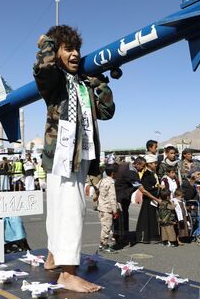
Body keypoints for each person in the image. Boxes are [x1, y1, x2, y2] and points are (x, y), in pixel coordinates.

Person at [33, 25, 115, 293]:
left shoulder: (84, 84)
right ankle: (68, 274)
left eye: (77, 49)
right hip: (61, 155)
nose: (76, 54)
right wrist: (46, 43)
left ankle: (54, 256)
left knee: (59, 209)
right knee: (69, 210)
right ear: (56, 53)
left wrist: (100, 81)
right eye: (68, 49)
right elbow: (43, 67)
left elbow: (106, 111)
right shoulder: (53, 81)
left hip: (77, 156)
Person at [113, 157, 144, 246]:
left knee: (118, 216)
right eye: (142, 166)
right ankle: (121, 237)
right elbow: (138, 186)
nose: (142, 168)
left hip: (118, 195)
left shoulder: (125, 165)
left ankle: (118, 235)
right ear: (137, 164)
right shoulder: (132, 172)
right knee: (122, 217)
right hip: (122, 196)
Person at [135, 154, 162, 244]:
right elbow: (146, 188)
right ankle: (146, 237)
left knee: (153, 219)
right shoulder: (146, 174)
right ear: (149, 164)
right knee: (147, 219)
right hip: (149, 199)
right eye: (154, 163)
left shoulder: (153, 173)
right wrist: (156, 187)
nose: (156, 165)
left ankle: (153, 236)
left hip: (154, 198)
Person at [94, 163, 118, 253]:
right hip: (107, 208)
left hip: (101, 207)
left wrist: (95, 197)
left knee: (104, 226)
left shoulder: (102, 180)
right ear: (113, 173)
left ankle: (103, 244)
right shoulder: (111, 183)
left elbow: (96, 190)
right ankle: (103, 245)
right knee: (106, 227)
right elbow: (112, 198)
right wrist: (115, 211)